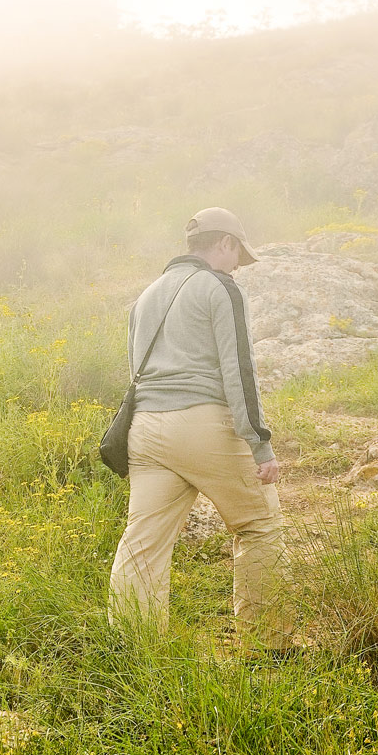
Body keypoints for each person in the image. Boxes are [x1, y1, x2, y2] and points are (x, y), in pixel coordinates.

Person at [108, 207, 293, 655]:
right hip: (203, 423)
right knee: (259, 525)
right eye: (237, 256)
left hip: (146, 431)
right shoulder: (220, 287)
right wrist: (260, 443)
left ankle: (134, 651)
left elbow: (137, 372)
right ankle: (265, 648)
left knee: (143, 542)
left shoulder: (146, 296)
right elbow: (239, 370)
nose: (237, 266)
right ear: (225, 243)